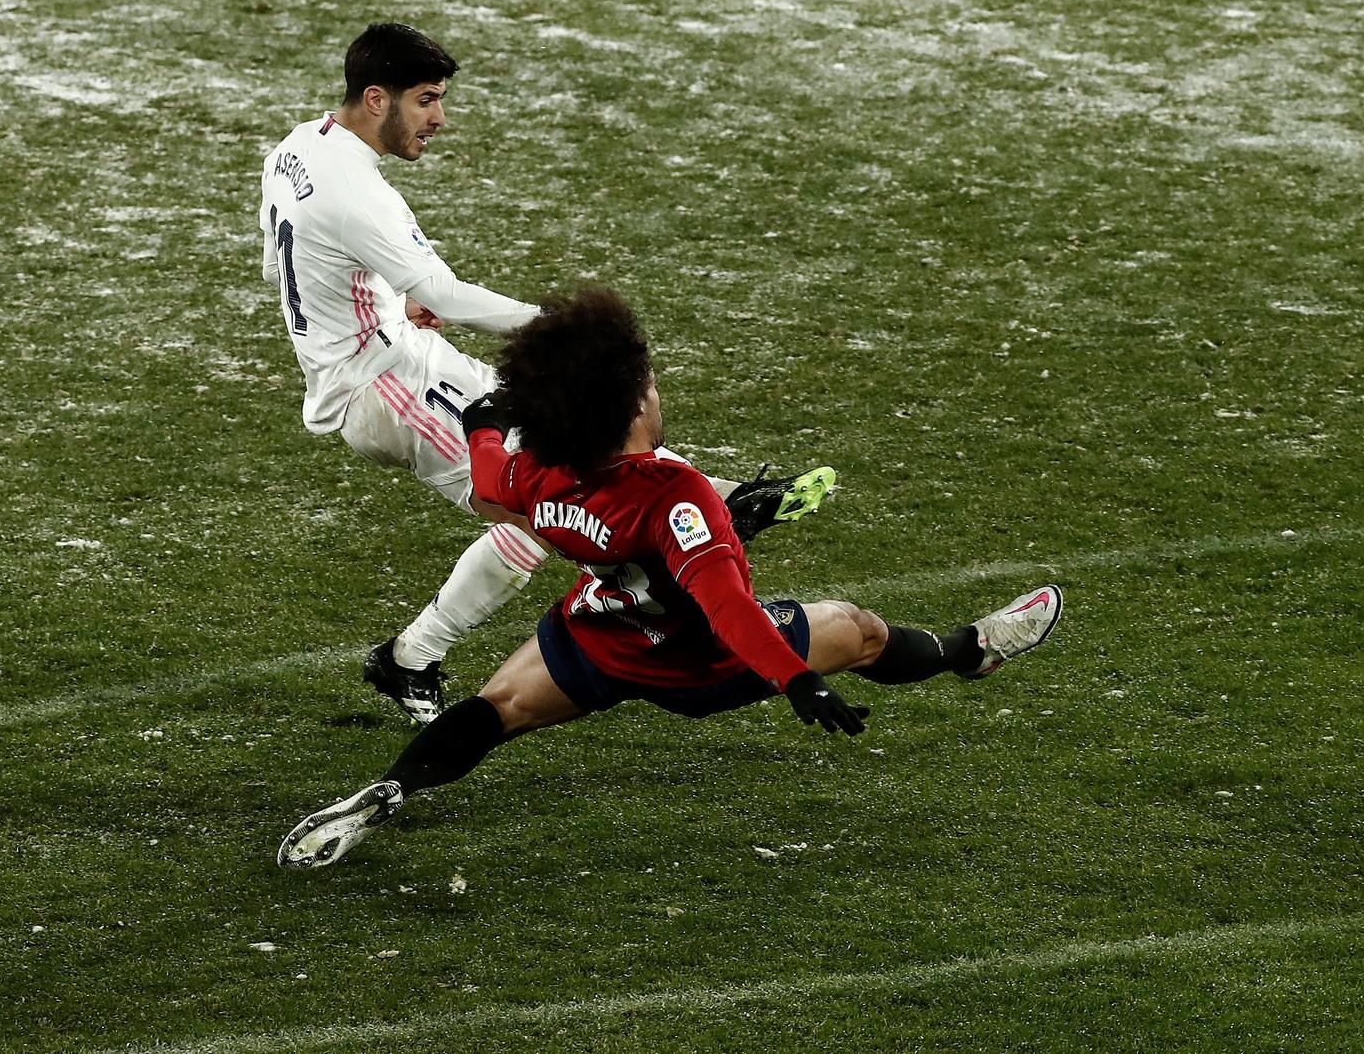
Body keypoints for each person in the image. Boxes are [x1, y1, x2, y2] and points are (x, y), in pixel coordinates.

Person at [277, 286, 1061, 869]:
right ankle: (972, 650)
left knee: (498, 707)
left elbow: (490, 485)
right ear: (628, 410)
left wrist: (485, 418)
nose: (657, 391)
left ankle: (387, 792)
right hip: (696, 665)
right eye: (648, 386)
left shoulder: (544, 471)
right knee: (857, 630)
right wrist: (796, 680)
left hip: (599, 635)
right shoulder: (677, 497)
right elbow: (725, 606)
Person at [258, 24, 835, 725]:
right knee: (541, 503)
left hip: (396, 354)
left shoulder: (299, 147)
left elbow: (289, 259)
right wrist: (557, 328)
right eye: (427, 100)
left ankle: (727, 500)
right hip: (381, 386)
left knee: (559, 449)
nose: (439, 118)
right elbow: (443, 293)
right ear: (377, 99)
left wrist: (383, 295)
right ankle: (412, 657)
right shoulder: (359, 190)